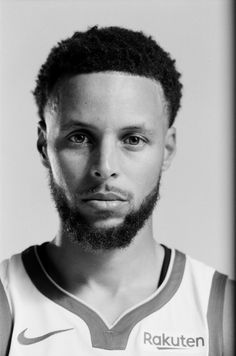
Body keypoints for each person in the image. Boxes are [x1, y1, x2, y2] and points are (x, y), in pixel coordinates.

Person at [0, 26, 234, 356]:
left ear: (166, 150)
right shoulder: (6, 303)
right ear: (44, 146)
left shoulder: (223, 315)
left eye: (132, 139)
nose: (105, 166)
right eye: (80, 137)